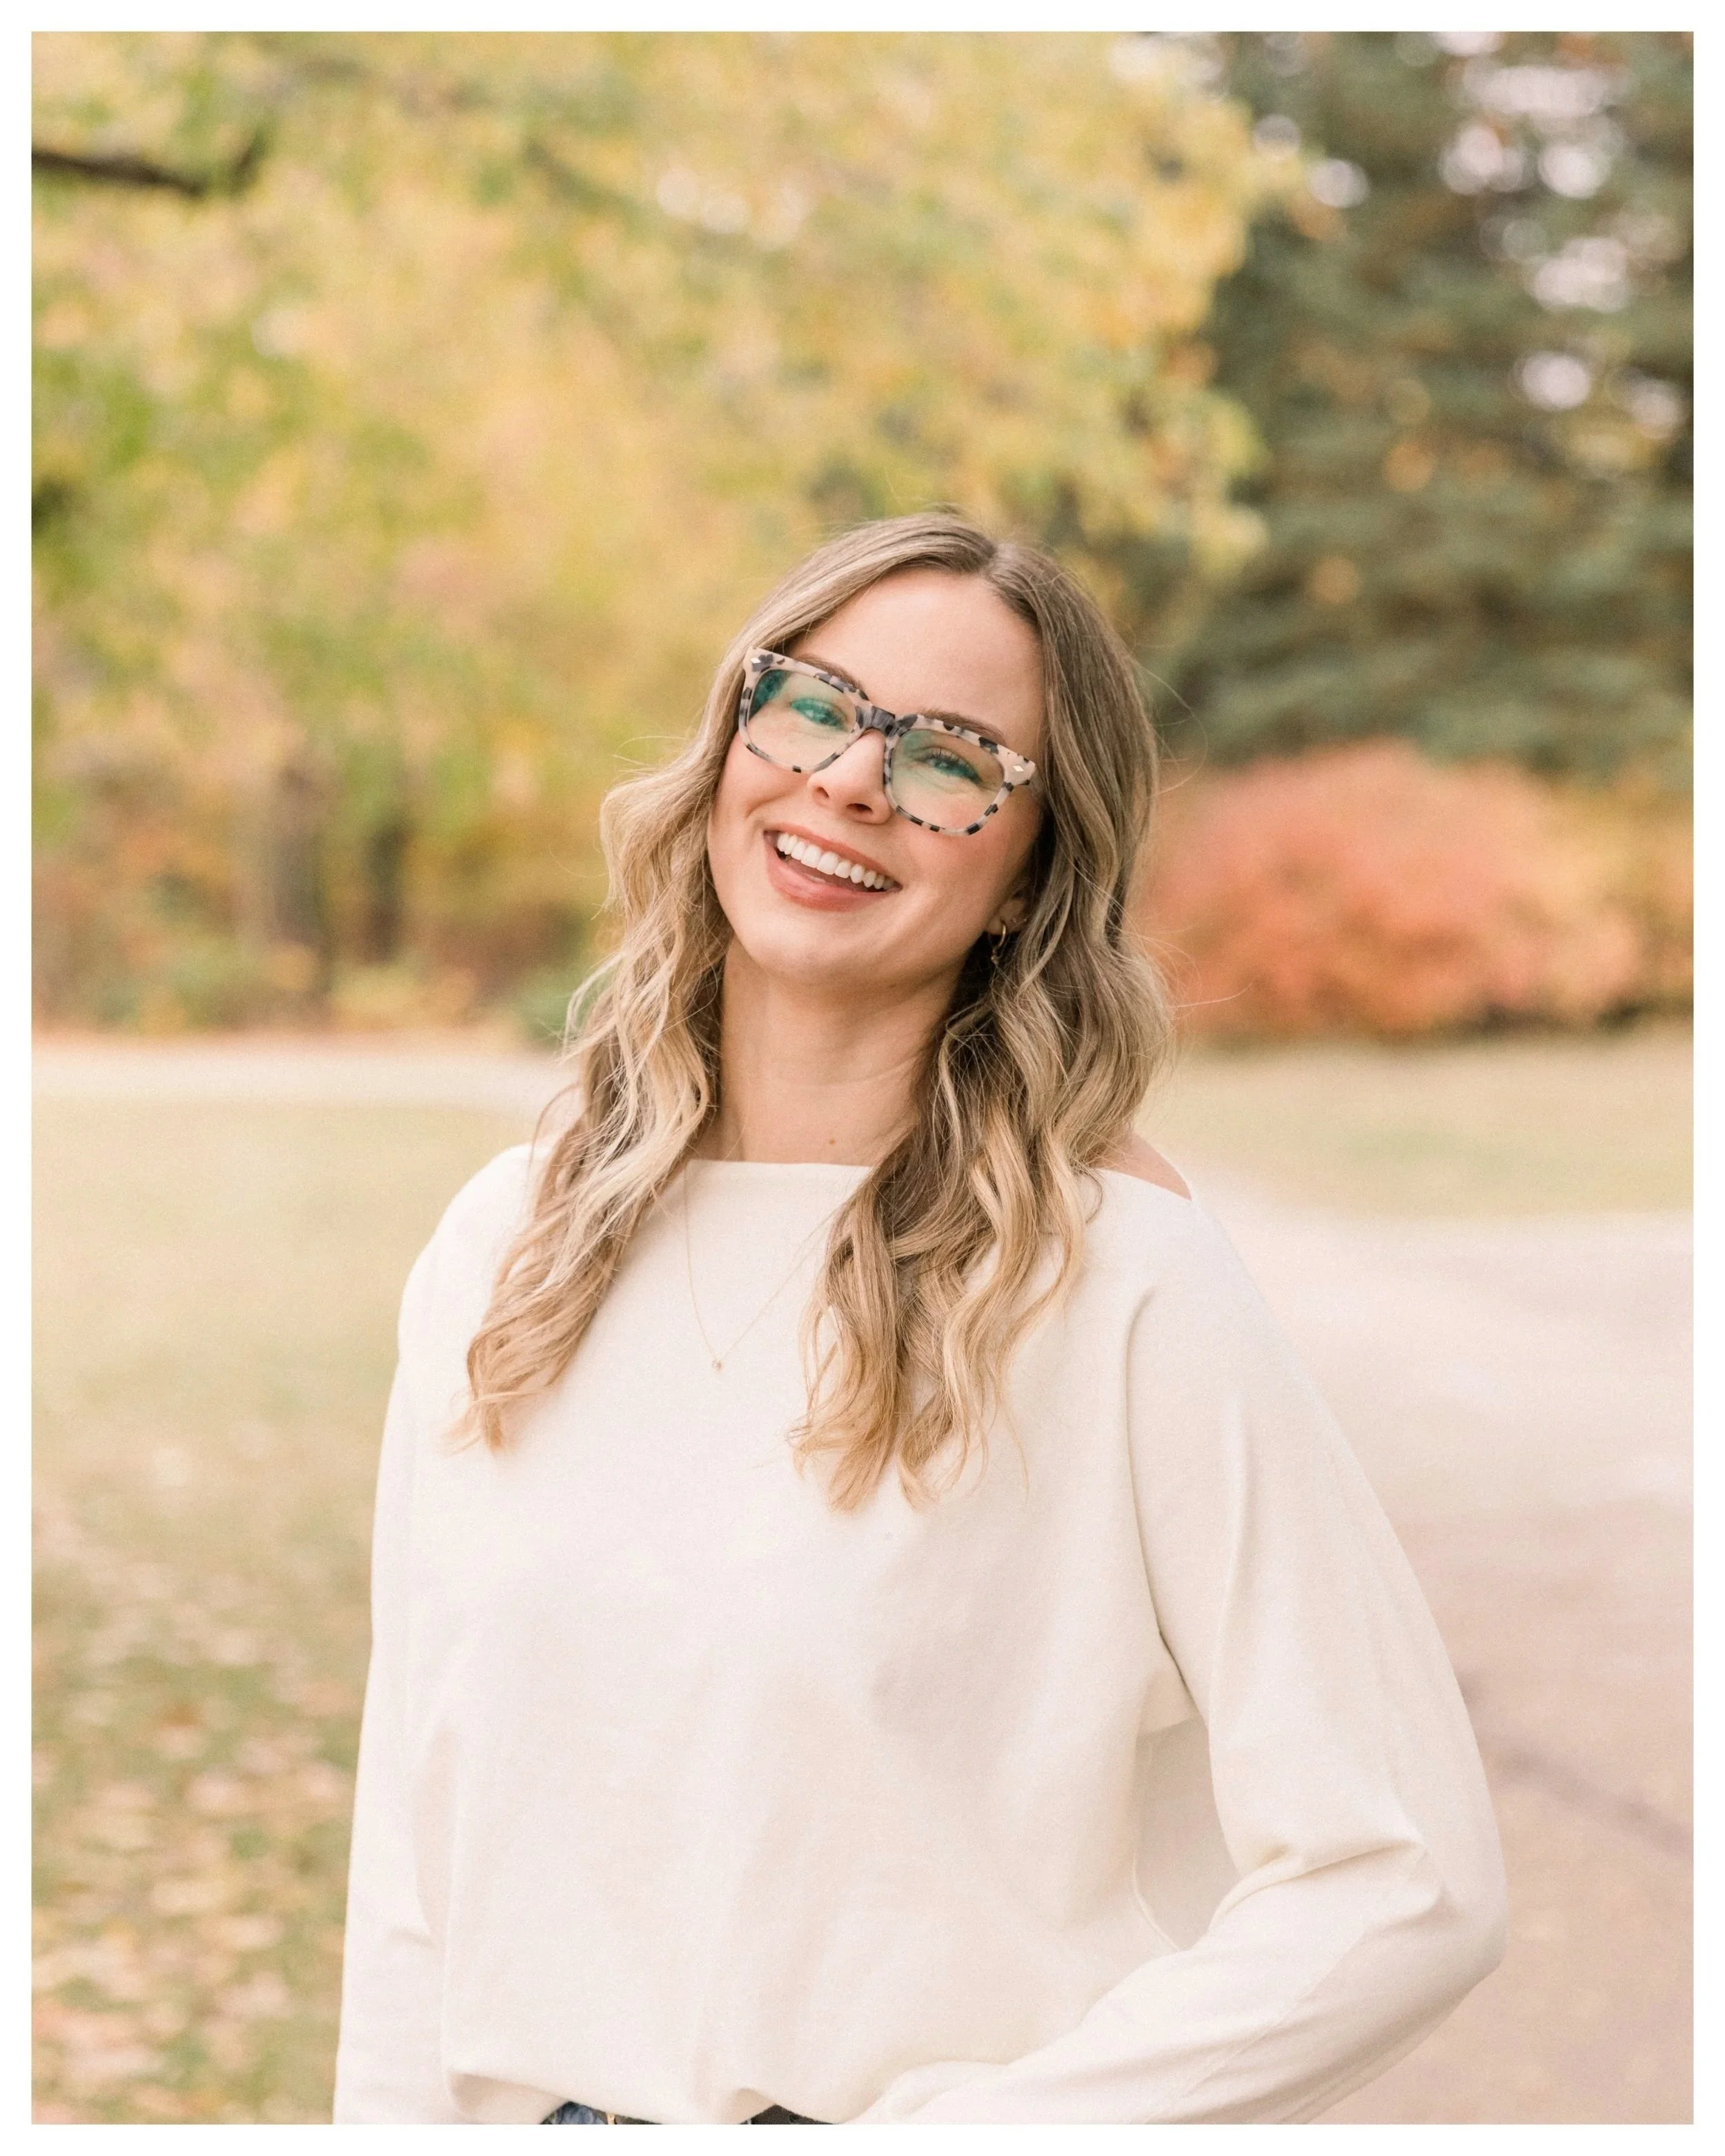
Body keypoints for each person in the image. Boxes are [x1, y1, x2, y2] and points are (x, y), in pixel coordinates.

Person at [332, 514, 1506, 2126]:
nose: (848, 781)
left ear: (1029, 877)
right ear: (731, 738)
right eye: (810, 705)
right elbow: (416, 1845)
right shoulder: (505, 1246)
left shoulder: (1118, 1284)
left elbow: (1403, 1877)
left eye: (950, 758)